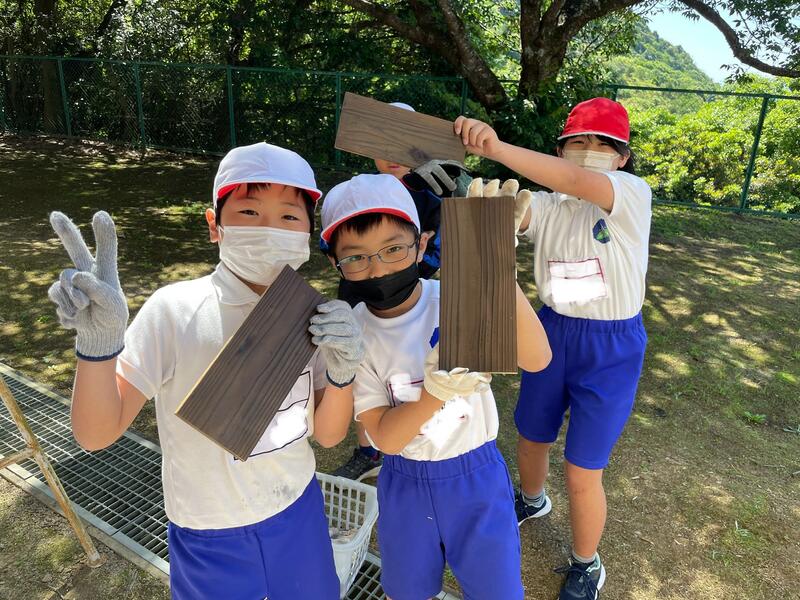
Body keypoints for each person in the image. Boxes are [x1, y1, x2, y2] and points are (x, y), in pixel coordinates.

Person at [46, 142, 365, 600]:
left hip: (298, 510)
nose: (270, 228)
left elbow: (330, 436)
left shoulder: (312, 316)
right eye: (250, 212)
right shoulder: (175, 311)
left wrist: (342, 373)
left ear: (307, 233)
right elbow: (95, 435)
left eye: (289, 216)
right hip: (208, 531)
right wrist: (98, 349)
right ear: (215, 225)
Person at [454, 97, 651, 600]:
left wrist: (496, 147)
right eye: (577, 141)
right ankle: (532, 498)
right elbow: (516, 216)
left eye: (603, 143)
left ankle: (587, 563)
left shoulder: (631, 194)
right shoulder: (545, 204)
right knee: (531, 432)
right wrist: (486, 214)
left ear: (623, 157)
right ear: (560, 148)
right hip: (552, 331)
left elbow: (578, 181)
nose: (588, 150)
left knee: (582, 468)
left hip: (611, 346)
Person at [320, 172, 552, 599]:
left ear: (422, 242)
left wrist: (497, 269)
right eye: (356, 257)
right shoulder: (353, 335)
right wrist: (435, 393)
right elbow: (386, 439)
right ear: (335, 263)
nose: (378, 268)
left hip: (476, 476)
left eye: (394, 249)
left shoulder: (456, 297)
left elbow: (537, 358)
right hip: (404, 481)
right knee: (407, 590)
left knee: (496, 591)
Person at [330, 101, 472, 482]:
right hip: (359, 293)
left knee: (411, 366)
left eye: (403, 143)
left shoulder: (434, 190)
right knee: (362, 365)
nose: (392, 154)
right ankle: (368, 448)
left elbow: (442, 247)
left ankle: (420, 426)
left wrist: (409, 274)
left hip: (413, 294)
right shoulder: (358, 191)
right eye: (383, 142)